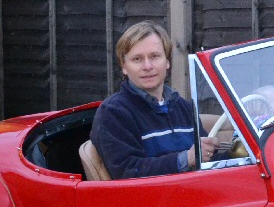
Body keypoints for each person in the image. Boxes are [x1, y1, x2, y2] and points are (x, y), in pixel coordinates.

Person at [90, 21, 217, 179]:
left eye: (155, 56)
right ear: (124, 66)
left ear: (167, 62)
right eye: (137, 59)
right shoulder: (113, 113)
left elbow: (210, 158)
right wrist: (185, 159)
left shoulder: (184, 107)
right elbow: (127, 171)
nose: (147, 66)